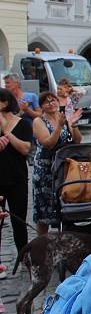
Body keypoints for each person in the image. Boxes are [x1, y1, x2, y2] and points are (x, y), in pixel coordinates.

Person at [31, 91, 83, 235]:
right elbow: (48, 143)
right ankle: (41, 240)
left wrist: (74, 125)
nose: (51, 103)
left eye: (53, 100)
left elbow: (78, 140)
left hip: (63, 167)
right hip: (45, 168)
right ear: (41, 106)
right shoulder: (39, 121)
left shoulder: (64, 118)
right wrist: (59, 127)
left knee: (63, 203)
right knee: (44, 209)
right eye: (47, 102)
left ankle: (64, 235)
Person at [0, 88, 33, 269]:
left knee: (19, 222)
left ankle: (24, 257)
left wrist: (6, 130)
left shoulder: (23, 124)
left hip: (17, 180)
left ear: (4, 102)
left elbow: (25, 149)